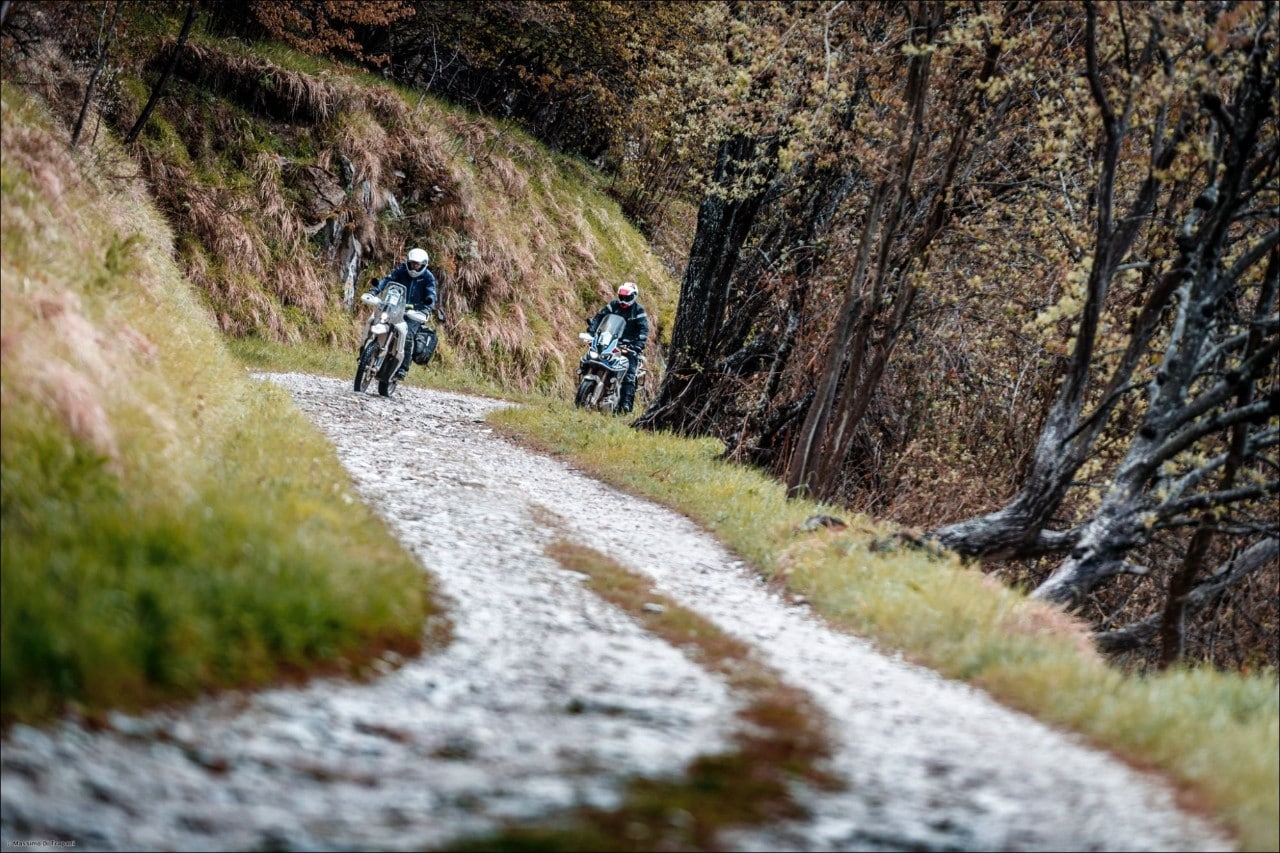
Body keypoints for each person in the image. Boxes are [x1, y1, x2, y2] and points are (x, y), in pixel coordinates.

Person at [367, 247, 438, 380]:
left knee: (408, 334)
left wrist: (428, 302)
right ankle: (366, 352)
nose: (414, 267)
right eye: (412, 263)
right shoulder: (401, 270)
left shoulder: (428, 277)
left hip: (415, 312)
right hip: (396, 307)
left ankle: (403, 369)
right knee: (375, 320)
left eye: (417, 264)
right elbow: (387, 280)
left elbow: (431, 292)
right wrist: (374, 291)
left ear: (423, 265)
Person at [587, 281, 648, 414]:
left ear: (634, 296)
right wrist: (591, 331)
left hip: (628, 346)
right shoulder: (613, 305)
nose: (623, 300)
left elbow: (643, 330)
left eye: (627, 297)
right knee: (589, 358)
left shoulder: (639, 311)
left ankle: (625, 406)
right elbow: (599, 317)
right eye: (621, 297)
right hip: (610, 342)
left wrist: (637, 346)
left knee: (629, 374)